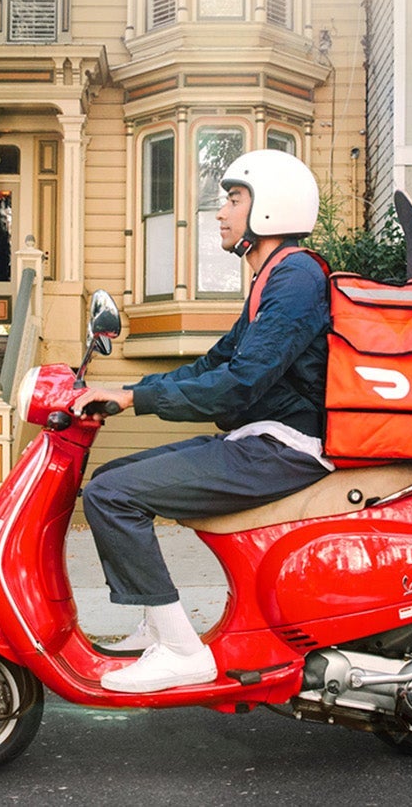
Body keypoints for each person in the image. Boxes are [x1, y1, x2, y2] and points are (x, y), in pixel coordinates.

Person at [71, 148, 331, 693]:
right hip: (260, 439)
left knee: (113, 496)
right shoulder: (272, 279)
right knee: (107, 482)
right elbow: (215, 363)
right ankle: (156, 625)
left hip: (286, 447)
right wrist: (126, 391)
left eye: (234, 199)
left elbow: (239, 384)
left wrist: (135, 402)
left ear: (270, 210)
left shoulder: (297, 278)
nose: (221, 212)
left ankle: (180, 650)